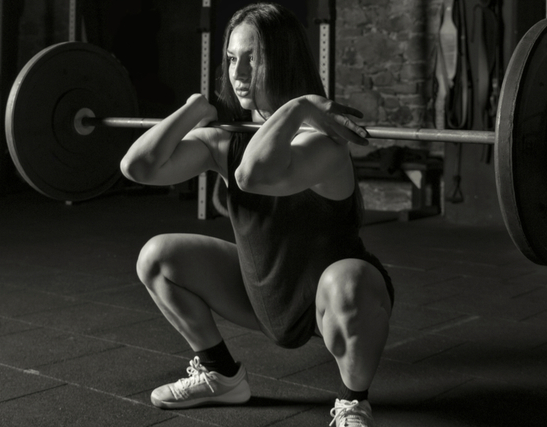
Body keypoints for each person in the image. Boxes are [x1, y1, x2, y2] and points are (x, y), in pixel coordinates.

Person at [120, 3, 394, 426]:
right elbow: (138, 167)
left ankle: (352, 401)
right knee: (157, 257)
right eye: (232, 58)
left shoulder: (323, 144)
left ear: (284, 61)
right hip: (261, 292)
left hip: (329, 303)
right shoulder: (224, 141)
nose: (239, 72)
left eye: (254, 59)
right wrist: (194, 109)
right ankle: (220, 373)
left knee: (352, 281)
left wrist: (301, 107)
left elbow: (253, 174)